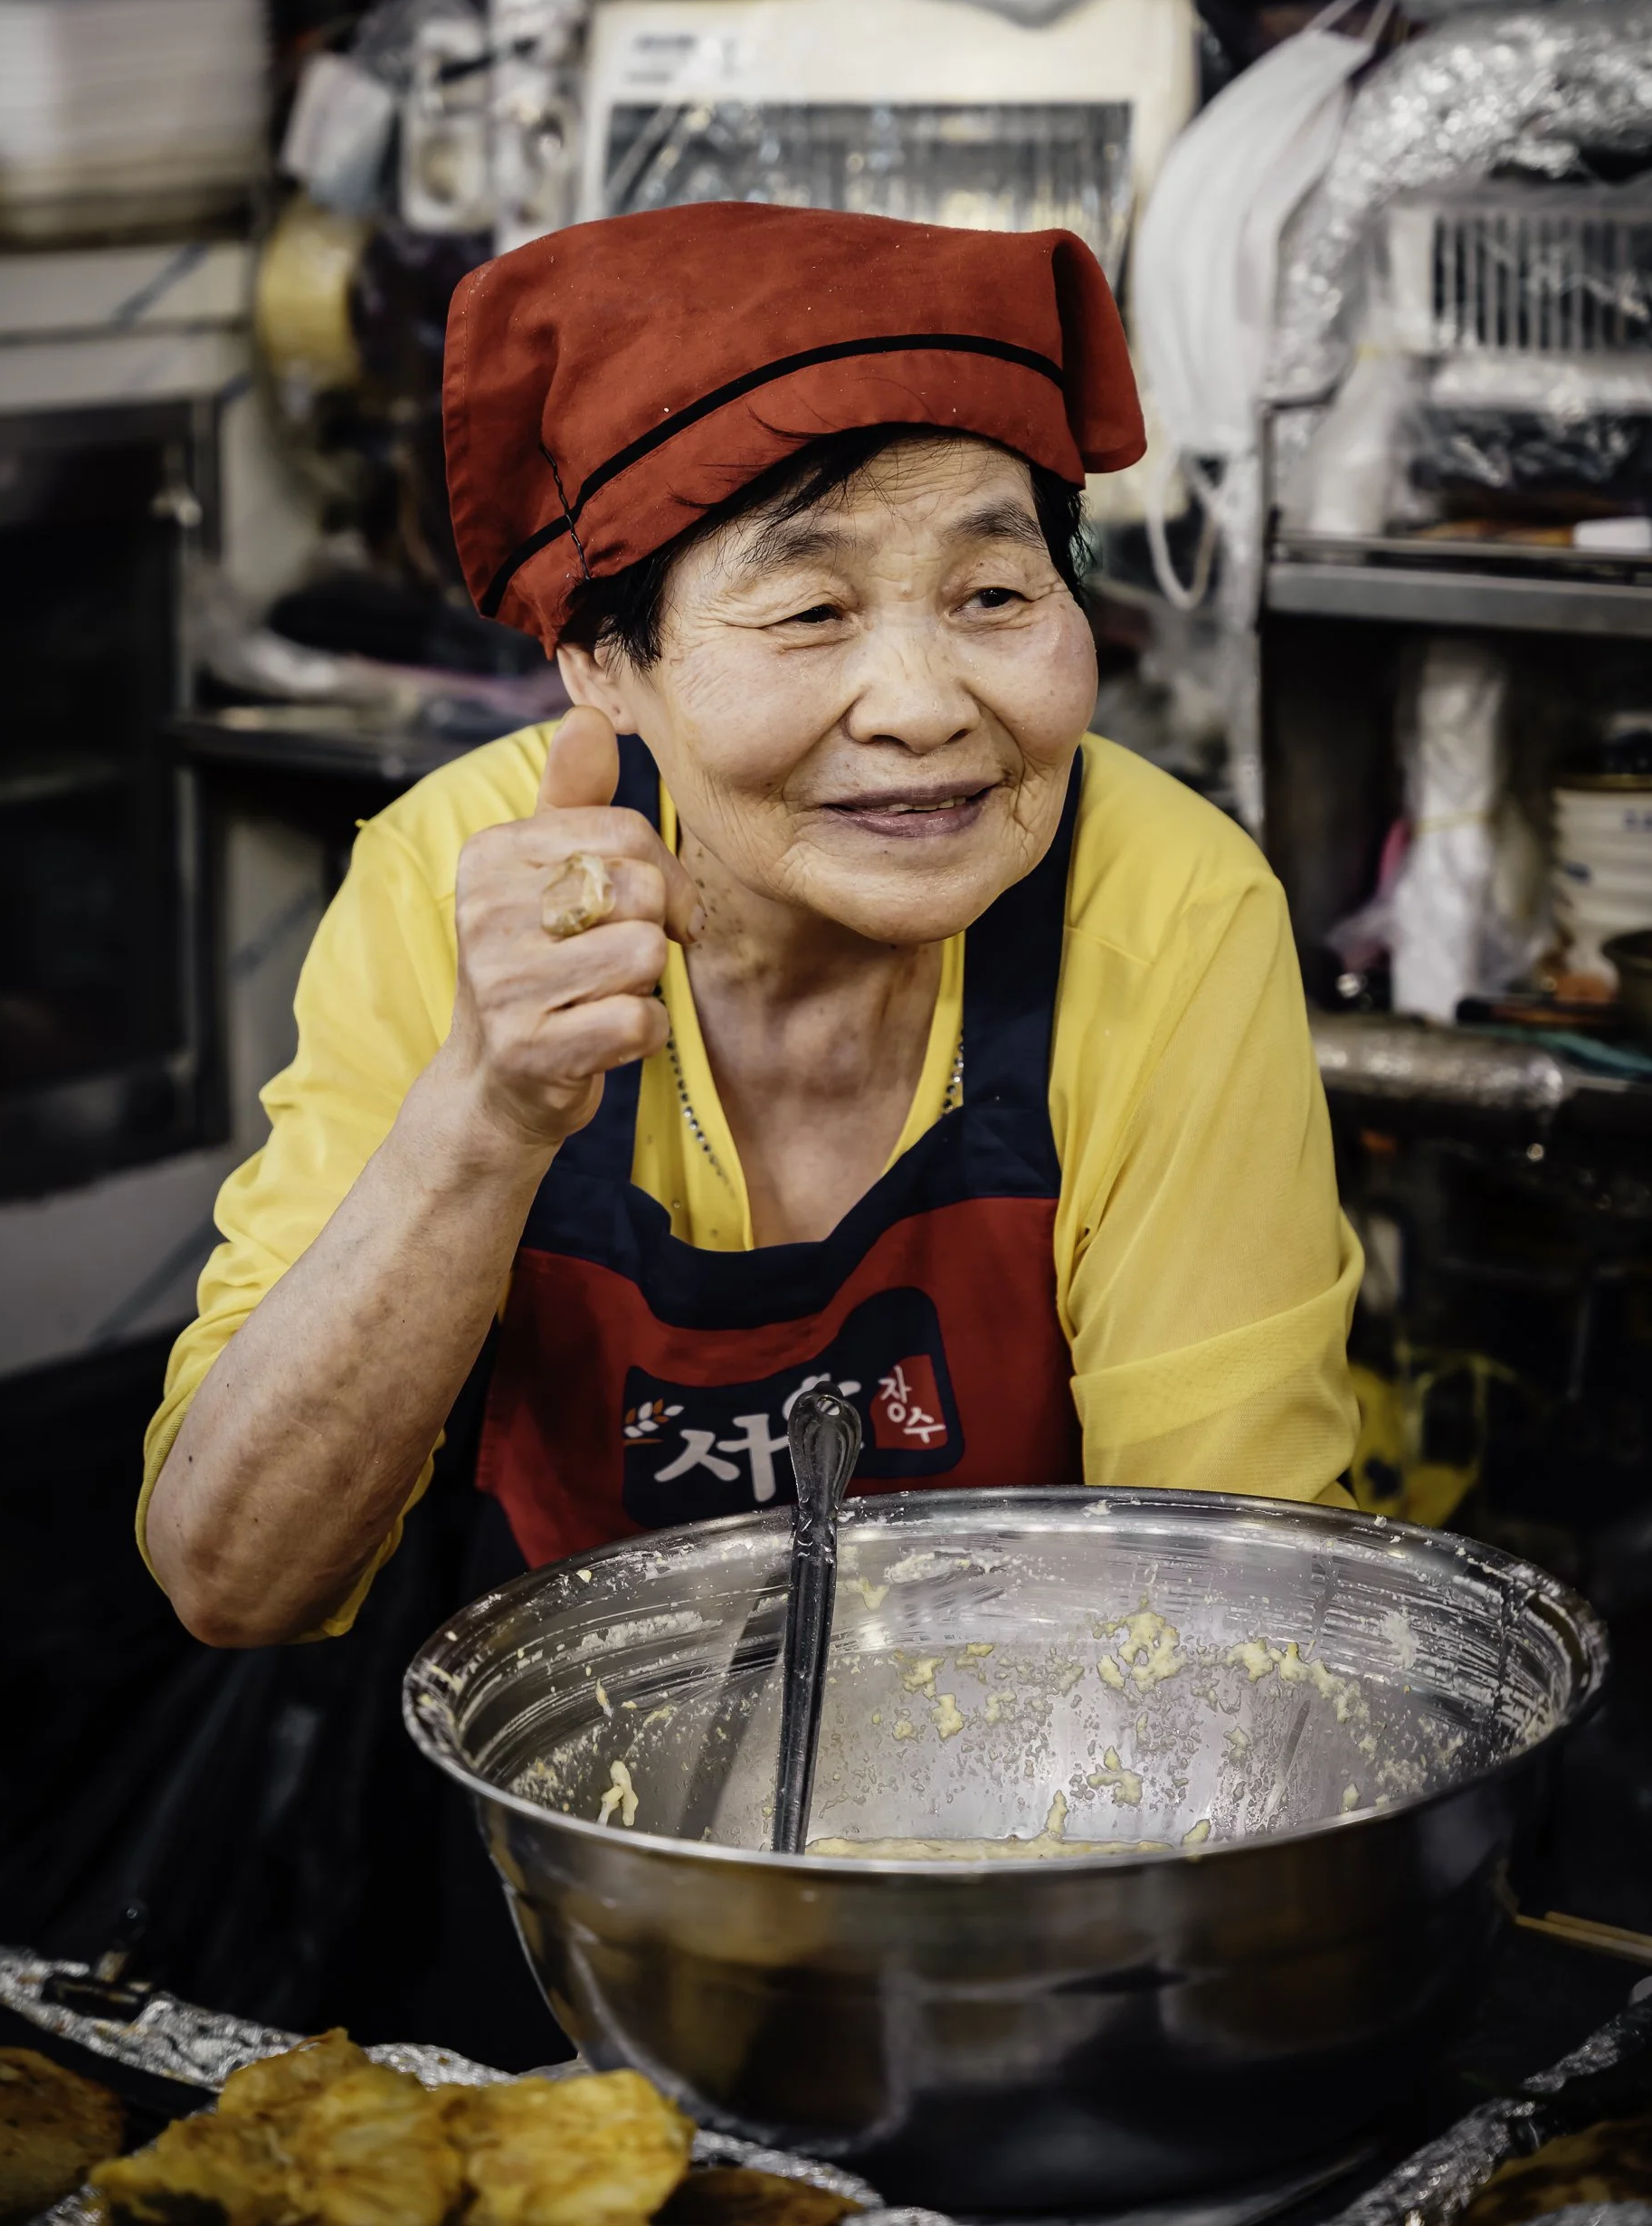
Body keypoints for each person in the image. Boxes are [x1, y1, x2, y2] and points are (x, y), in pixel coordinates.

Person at [140, 203, 1359, 2047]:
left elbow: (1239, 1624)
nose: (926, 705)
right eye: (807, 610)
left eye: (994, 592)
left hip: (1033, 1904)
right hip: (548, 1909)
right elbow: (234, 1572)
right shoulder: (455, 885)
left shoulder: (1168, 910)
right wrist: (484, 1114)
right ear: (601, 667)